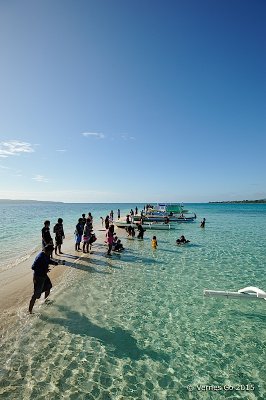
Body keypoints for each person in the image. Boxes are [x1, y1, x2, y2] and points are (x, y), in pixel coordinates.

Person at [28, 244, 59, 313]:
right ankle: (30, 311)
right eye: (51, 251)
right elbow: (33, 267)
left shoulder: (46, 255)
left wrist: (54, 263)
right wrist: (44, 270)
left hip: (44, 275)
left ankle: (45, 301)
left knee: (49, 287)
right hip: (38, 277)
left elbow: (48, 260)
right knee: (36, 295)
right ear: (47, 250)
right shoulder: (40, 257)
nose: (51, 253)